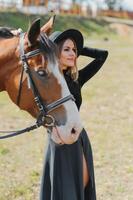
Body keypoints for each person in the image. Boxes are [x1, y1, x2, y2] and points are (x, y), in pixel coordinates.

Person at [40, 29, 108, 200]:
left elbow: (102, 55)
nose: (72, 54)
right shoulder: (49, 80)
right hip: (59, 137)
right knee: (65, 188)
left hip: (78, 135)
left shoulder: (77, 79)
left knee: (84, 182)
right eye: (66, 49)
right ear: (56, 52)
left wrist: (80, 48)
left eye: (74, 50)